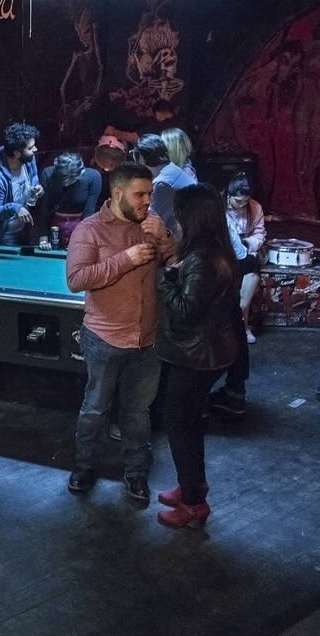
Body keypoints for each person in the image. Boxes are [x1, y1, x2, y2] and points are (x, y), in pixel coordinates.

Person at [66, 161, 175, 502]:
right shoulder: (90, 230)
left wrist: (165, 238)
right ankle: (84, 467)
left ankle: (137, 474)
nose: (147, 201)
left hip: (148, 339)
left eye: (150, 193)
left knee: (138, 414)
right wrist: (126, 259)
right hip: (104, 337)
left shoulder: (152, 224)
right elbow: (76, 280)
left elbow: (176, 263)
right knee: (95, 409)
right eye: (140, 194)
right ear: (117, 194)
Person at [155, 184, 240, 529]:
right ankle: (193, 486)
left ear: (193, 217)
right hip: (209, 351)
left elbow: (185, 310)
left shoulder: (204, 259)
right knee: (189, 422)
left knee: (179, 424)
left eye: (179, 212)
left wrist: (163, 277)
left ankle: (193, 503)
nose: (175, 218)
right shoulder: (214, 250)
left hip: (198, 355)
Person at [210, 174, 266, 416]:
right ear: (228, 196)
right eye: (236, 202)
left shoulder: (255, 209)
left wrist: (249, 244)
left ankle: (242, 312)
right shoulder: (218, 210)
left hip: (245, 250)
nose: (241, 206)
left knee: (252, 265)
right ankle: (241, 320)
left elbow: (260, 233)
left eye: (244, 202)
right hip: (226, 253)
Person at [0, 122, 44, 245]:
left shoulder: (28, 159)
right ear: (16, 153)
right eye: (30, 148)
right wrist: (15, 208)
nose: (35, 150)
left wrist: (37, 186)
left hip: (23, 229)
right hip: (2, 236)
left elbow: (34, 176)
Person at [132, 133, 196, 236]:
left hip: (181, 243)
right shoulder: (171, 170)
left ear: (141, 158)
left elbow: (151, 223)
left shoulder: (162, 184)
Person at [39, 152, 102, 249]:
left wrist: (81, 240)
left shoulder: (93, 177)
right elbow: (44, 209)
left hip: (80, 225)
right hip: (54, 227)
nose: (66, 182)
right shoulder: (48, 174)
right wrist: (43, 239)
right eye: (62, 178)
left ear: (81, 173)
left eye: (71, 178)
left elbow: (89, 213)